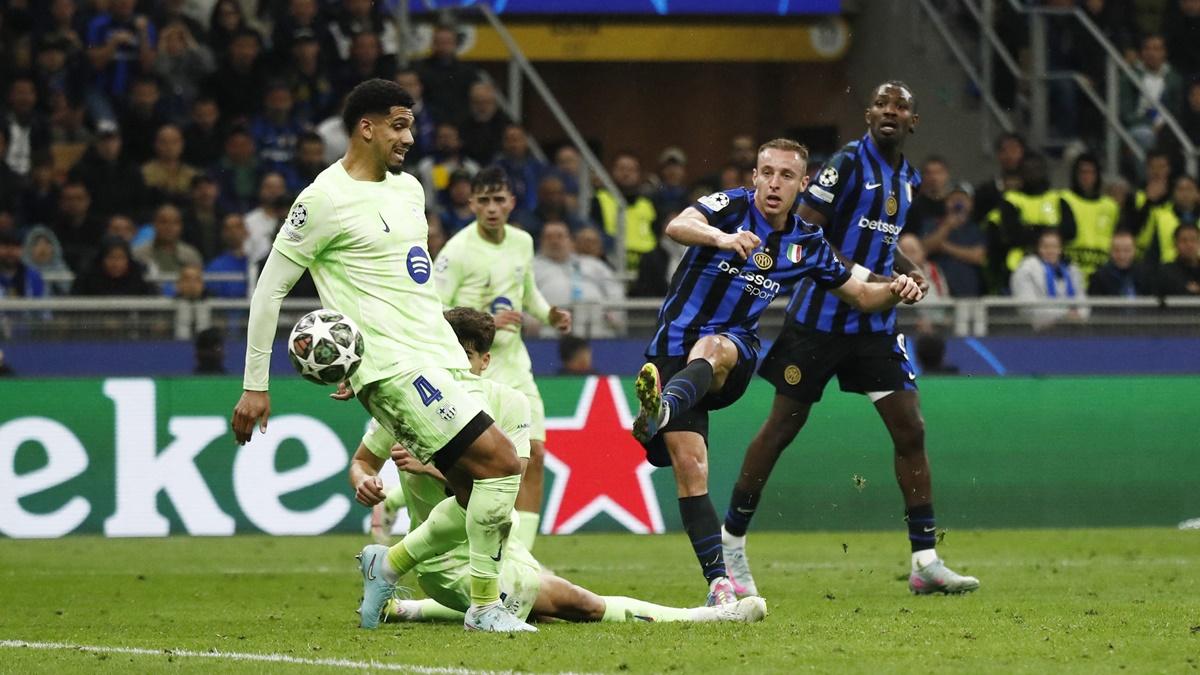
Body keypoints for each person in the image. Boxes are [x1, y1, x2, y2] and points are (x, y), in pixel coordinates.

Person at [230, 79, 533, 633]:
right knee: (501, 463)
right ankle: (484, 608)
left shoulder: (410, 191)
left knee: (480, 500)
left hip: (439, 355)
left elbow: (410, 285)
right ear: (365, 128)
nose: (409, 137)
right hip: (395, 370)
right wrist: (256, 384)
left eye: (410, 125)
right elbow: (269, 290)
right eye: (398, 124)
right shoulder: (322, 200)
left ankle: (387, 564)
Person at [630, 137, 925, 606]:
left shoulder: (807, 245)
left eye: (786, 176)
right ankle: (719, 587)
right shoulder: (729, 207)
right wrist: (723, 238)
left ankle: (662, 407)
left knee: (715, 345)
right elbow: (677, 225)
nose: (774, 183)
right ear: (754, 177)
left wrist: (897, 288)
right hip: (669, 352)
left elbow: (862, 295)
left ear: (802, 185)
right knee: (691, 469)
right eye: (766, 172)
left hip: (734, 352)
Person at [719, 83, 980, 599]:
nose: (890, 112)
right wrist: (868, 279)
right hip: (818, 322)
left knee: (911, 430)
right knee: (779, 430)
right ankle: (730, 547)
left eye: (900, 106)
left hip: (874, 329)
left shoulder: (906, 177)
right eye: (882, 104)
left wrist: (909, 273)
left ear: (913, 120)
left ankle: (925, 560)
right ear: (868, 115)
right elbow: (807, 230)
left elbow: (881, 246)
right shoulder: (845, 164)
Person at [355, 309, 765, 626]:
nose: (457, 363)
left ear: (485, 359)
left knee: (550, 609)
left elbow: (504, 490)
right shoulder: (412, 403)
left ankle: (404, 605)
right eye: (448, 352)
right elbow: (361, 463)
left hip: (498, 542)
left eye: (466, 354)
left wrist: (434, 468)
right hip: (443, 560)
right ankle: (706, 615)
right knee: (578, 604)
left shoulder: (508, 402)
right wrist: (365, 480)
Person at [433, 167, 573, 554]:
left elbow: (526, 290)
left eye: (499, 200)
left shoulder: (523, 242)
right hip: (474, 368)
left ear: (511, 202)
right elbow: (435, 310)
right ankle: (403, 510)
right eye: (484, 201)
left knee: (536, 454)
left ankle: (521, 557)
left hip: (516, 365)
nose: (492, 208)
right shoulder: (456, 252)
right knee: (475, 465)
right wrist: (485, 320)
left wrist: (549, 315)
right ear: (471, 203)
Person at [533, 220, 625, 338]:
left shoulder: (593, 265)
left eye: (560, 237)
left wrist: (613, 314)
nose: (554, 242)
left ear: (570, 241)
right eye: (549, 237)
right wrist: (528, 318)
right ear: (541, 241)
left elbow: (614, 291)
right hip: (548, 330)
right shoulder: (531, 268)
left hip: (596, 327)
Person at [591, 152, 657, 273]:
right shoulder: (599, 199)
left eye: (631, 170)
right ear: (612, 172)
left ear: (639, 174)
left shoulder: (649, 203)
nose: (626, 174)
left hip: (646, 269)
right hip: (611, 266)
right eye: (621, 169)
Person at [1058, 153, 1121, 280]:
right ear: (1075, 175)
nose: (1087, 177)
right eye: (1083, 172)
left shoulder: (1110, 206)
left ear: (1098, 176)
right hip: (1071, 271)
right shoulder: (1063, 199)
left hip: (1102, 273)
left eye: (1091, 172)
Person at [1011, 229, 1088, 329]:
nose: (1050, 251)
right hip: (1037, 333)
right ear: (1038, 248)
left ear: (1061, 249)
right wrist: (1064, 315)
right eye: (1046, 247)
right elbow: (1027, 308)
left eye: (1055, 247)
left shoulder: (1072, 270)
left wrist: (1080, 315)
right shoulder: (1026, 270)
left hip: (1073, 330)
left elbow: (1084, 302)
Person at [133, 203, 203, 277]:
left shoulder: (191, 256)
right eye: (163, 222)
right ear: (154, 224)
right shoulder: (138, 255)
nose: (169, 227)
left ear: (181, 226)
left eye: (175, 223)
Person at [70, 235, 156, 295]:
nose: (116, 263)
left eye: (121, 258)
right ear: (101, 259)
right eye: (111, 257)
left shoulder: (137, 275)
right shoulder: (87, 278)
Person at [1088, 230, 1156, 296]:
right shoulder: (1099, 278)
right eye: (1117, 250)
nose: (1122, 256)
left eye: (1126, 250)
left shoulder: (1146, 276)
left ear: (1134, 251)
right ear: (1110, 251)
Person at [0, 230, 46, 298]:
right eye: (6, 246)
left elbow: (43, 307)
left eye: (15, 247)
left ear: (22, 249)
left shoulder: (34, 277)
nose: (10, 251)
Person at [1158, 222, 1200, 295]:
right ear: (1175, 244)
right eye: (1184, 240)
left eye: (1193, 240)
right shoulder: (1165, 272)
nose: (1189, 245)